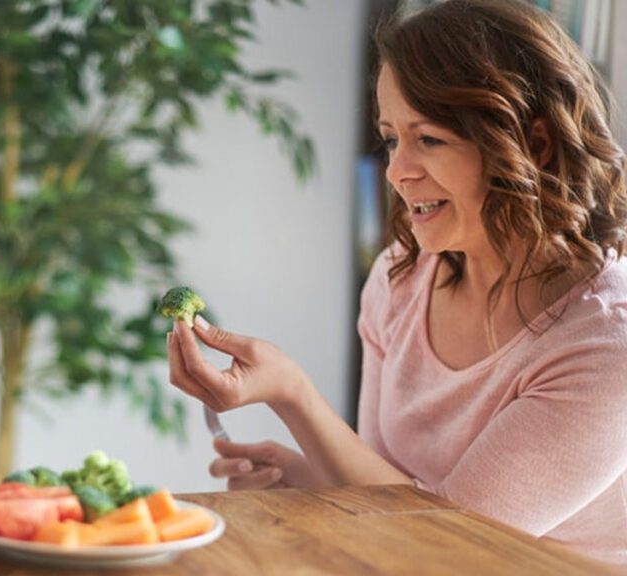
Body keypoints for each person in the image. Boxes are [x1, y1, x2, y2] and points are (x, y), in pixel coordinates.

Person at [167, 0, 627, 566]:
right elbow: (397, 494)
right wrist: (307, 477)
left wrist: (293, 395)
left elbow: (451, 549)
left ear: (533, 144)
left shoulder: (606, 343)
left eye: (428, 139)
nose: (396, 170)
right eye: (390, 139)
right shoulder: (397, 279)